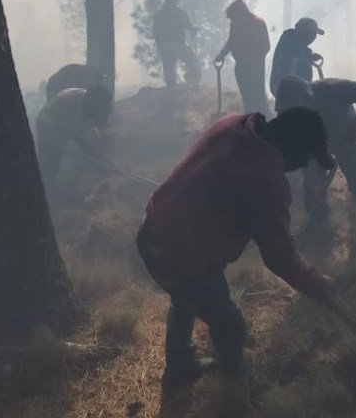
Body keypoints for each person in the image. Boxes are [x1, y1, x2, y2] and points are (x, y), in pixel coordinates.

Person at [136, 107, 335, 398]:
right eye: (306, 157)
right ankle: (238, 386)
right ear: (292, 145)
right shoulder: (266, 180)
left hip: (152, 229)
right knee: (231, 326)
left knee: (185, 300)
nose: (304, 165)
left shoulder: (235, 123)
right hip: (181, 256)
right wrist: (316, 284)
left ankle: (180, 368)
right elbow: (279, 256)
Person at [275, 75, 356, 218]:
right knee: (313, 199)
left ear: (307, 98)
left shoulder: (334, 89)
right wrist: (313, 183)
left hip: (347, 139)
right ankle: (319, 220)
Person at [34, 84, 113, 193]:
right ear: (90, 97)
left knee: (68, 154)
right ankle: (46, 189)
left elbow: (98, 126)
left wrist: (98, 152)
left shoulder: (99, 104)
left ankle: (52, 186)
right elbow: (75, 137)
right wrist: (91, 154)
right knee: (51, 159)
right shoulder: (73, 104)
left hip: (64, 125)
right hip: (48, 124)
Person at [214, 0, 270, 114]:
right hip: (241, 64)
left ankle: (263, 117)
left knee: (258, 93)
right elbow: (231, 40)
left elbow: (265, 46)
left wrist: (254, 59)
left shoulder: (257, 23)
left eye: (233, 17)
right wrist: (222, 54)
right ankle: (250, 116)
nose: (232, 20)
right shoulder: (236, 23)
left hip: (255, 66)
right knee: (246, 95)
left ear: (240, 13)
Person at [152, 0, 200, 89]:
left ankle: (172, 90)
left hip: (164, 47)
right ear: (176, 0)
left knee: (169, 71)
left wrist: (160, 45)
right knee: (194, 62)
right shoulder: (179, 12)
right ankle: (192, 83)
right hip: (178, 46)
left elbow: (155, 32)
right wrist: (193, 29)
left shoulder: (158, 14)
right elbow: (187, 25)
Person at [268, 17, 324, 97]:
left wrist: (309, 57)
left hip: (288, 91)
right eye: (313, 34)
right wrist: (308, 57)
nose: (314, 37)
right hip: (290, 92)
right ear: (305, 33)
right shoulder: (291, 46)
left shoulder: (291, 43)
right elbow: (292, 67)